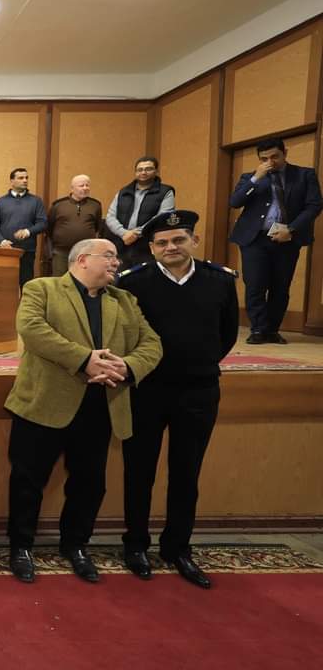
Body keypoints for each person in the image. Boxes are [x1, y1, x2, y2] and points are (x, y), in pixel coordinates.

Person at [4, 238, 162, 584]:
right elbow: (32, 330)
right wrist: (84, 360)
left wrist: (127, 366)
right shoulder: (41, 289)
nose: (116, 263)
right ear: (82, 259)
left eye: (116, 257)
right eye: (109, 256)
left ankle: (75, 545)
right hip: (43, 404)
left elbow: (152, 344)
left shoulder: (124, 300)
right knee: (27, 482)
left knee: (89, 484)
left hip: (100, 408)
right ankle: (21, 547)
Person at [116, 211, 238, 589]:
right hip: (146, 390)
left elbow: (227, 335)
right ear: (152, 248)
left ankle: (177, 547)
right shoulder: (134, 283)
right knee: (139, 471)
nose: (171, 247)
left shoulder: (220, 281)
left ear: (194, 241)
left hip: (198, 390)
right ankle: (136, 545)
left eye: (178, 240)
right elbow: (125, 335)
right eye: (162, 243)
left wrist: (197, 363)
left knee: (187, 473)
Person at [229, 137, 322, 344]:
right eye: (264, 159)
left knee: (280, 287)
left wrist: (291, 229)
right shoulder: (249, 178)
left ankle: (272, 330)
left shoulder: (304, 175)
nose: (270, 162)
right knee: (255, 285)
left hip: (287, 238)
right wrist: (256, 178)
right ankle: (258, 329)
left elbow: (314, 205)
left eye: (275, 157)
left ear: (285, 153)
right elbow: (235, 202)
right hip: (254, 239)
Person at [105, 156, 175, 268]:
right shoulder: (123, 192)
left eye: (148, 169)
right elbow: (110, 216)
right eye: (140, 169)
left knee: (145, 276)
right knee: (120, 276)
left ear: (156, 171)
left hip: (147, 247)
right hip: (122, 244)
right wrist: (124, 234)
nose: (143, 172)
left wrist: (136, 233)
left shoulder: (166, 191)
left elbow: (162, 217)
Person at [0, 167, 47, 287]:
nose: (25, 180)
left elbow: (43, 223)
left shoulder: (36, 201)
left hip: (27, 251)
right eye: (21, 178)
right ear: (12, 181)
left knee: (26, 284)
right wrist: (1, 241)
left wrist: (28, 231)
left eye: (26, 178)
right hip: (5, 250)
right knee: (5, 285)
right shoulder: (1, 202)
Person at [47, 175, 103, 276]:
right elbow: (49, 228)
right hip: (61, 253)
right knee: (60, 281)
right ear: (72, 189)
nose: (85, 188)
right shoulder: (58, 205)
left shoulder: (95, 205)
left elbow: (97, 227)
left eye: (87, 185)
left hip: (86, 253)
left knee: (84, 280)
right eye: (81, 185)